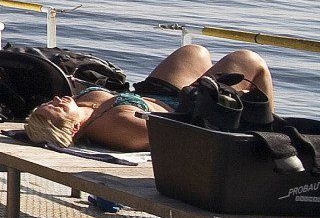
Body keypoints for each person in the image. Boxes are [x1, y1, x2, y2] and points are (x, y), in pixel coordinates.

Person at [24, 44, 274, 151]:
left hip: (155, 94)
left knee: (194, 52)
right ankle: (268, 128)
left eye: (48, 104)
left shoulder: (83, 108)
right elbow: (174, 136)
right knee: (249, 60)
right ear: (74, 128)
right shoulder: (117, 126)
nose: (55, 100)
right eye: (57, 109)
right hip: (188, 107)